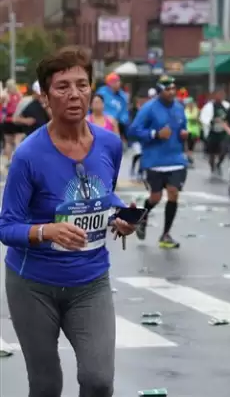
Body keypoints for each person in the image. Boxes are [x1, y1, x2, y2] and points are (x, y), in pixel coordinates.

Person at [0, 45, 136, 397]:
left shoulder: (109, 143)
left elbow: (103, 196)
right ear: (45, 97)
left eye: (82, 84)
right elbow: (6, 226)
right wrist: (47, 231)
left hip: (90, 281)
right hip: (33, 285)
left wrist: (121, 216)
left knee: (98, 380)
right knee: (46, 385)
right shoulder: (28, 155)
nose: (74, 94)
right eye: (62, 87)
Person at [128, 75, 188, 249]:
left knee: (173, 193)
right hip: (154, 160)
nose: (171, 92)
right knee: (155, 197)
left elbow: (182, 127)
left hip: (176, 160)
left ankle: (166, 234)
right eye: (167, 89)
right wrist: (155, 134)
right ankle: (142, 218)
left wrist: (184, 134)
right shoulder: (149, 108)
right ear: (160, 91)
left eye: (173, 89)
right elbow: (133, 130)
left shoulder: (179, 108)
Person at [96, 73, 129, 141]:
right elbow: (95, 106)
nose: (118, 83)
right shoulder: (102, 92)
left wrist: (121, 121)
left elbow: (125, 112)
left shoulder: (123, 96)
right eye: (115, 81)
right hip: (102, 123)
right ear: (109, 83)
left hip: (118, 124)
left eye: (119, 81)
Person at [184, 97, 201, 166]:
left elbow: (197, 118)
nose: (190, 104)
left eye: (191, 103)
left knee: (192, 144)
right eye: (188, 103)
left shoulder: (196, 109)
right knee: (188, 143)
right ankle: (189, 157)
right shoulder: (185, 110)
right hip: (188, 129)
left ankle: (190, 156)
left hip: (195, 130)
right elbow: (188, 117)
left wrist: (195, 119)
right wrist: (193, 118)